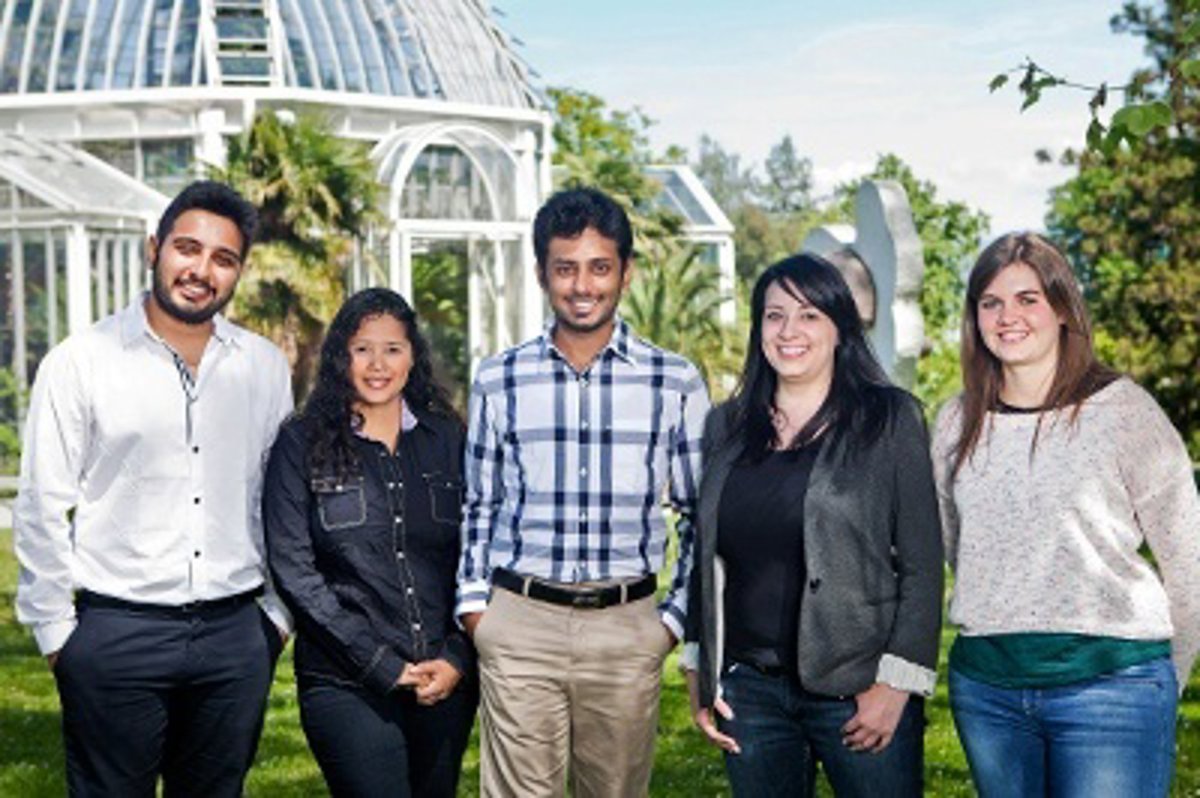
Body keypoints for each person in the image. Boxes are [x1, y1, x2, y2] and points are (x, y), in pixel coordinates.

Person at [13, 180, 293, 796]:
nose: (201, 271)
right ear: (153, 248)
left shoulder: (263, 367)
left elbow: (279, 501)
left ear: (238, 271)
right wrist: (58, 635)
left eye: (223, 259)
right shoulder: (82, 361)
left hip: (234, 636)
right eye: (187, 249)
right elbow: (41, 504)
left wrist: (274, 620)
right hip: (116, 633)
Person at [455, 186, 710, 797]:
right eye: (565, 268)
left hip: (627, 627)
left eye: (599, 267)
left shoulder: (674, 381)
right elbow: (480, 504)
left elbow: (701, 515)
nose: (582, 286)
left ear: (626, 272)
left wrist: (670, 623)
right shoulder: (499, 378)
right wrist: (476, 611)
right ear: (542, 273)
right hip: (519, 623)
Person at [932, 232, 1200, 797]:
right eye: (991, 302)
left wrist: (1168, 676)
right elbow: (957, 544)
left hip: (1114, 685)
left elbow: (1188, 554)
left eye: (1027, 299)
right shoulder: (956, 422)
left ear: (1061, 309)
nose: (1008, 317)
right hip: (989, 691)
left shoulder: (1124, 411)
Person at [683, 253, 944, 798]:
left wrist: (896, 684)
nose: (789, 331)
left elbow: (923, 564)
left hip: (859, 687)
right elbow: (704, 553)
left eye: (809, 315)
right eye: (775, 316)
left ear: (839, 327)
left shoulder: (889, 419)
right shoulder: (726, 426)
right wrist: (698, 665)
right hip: (750, 694)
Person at [264, 287, 475, 798]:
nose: (378, 364)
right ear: (342, 356)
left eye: (392, 349)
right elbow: (293, 570)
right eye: (362, 349)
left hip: (444, 678)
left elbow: (479, 552)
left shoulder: (448, 439)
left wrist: (457, 657)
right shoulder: (300, 443)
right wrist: (381, 663)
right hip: (346, 681)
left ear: (413, 357)